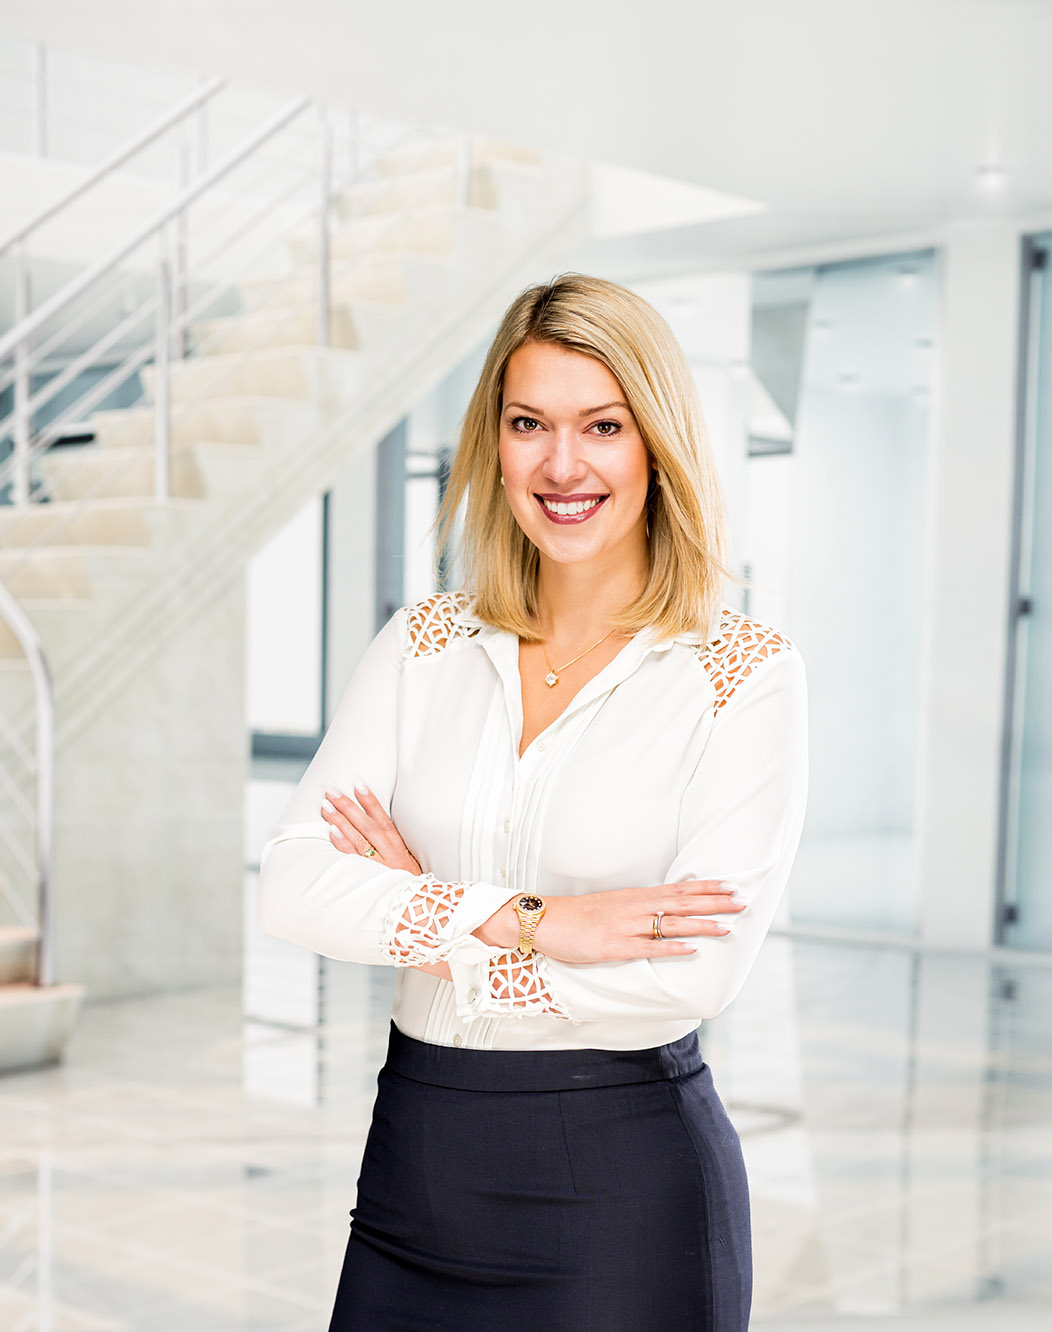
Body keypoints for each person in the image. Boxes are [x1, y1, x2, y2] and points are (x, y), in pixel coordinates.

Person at [256, 272, 809, 1331]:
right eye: (527, 424)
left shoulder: (742, 674)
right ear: (493, 443)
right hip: (413, 1172)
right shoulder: (422, 646)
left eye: (602, 425)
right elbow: (290, 885)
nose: (561, 466)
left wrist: (424, 922)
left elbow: (691, 976)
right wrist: (534, 921)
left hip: (624, 1187)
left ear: (657, 443)